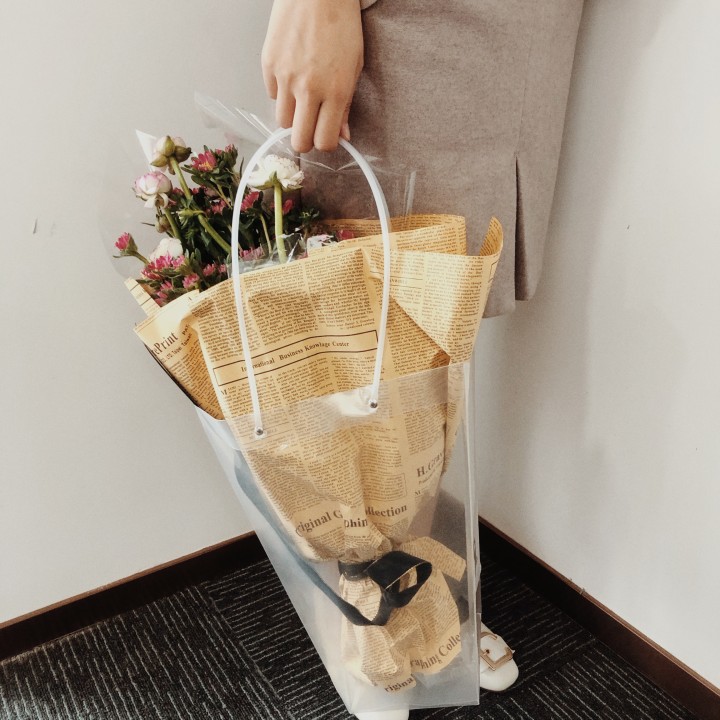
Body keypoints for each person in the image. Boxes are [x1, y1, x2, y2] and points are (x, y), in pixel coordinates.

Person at [262, 0, 583, 715]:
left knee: (439, 327)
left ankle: (406, 591)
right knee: (369, 313)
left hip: (522, 33)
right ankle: (368, 617)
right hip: (406, 21)